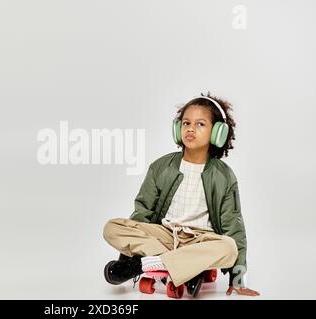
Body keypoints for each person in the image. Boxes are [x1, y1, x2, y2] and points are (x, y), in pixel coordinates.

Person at [102, 92, 260, 297]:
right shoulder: (161, 167)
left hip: (202, 240)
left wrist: (238, 280)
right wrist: (126, 260)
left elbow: (234, 227)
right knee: (113, 227)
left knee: (229, 247)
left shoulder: (224, 176)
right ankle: (182, 266)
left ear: (218, 132)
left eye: (200, 124)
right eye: (186, 123)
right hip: (166, 235)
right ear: (178, 129)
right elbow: (142, 212)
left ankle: (154, 263)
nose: (191, 129)